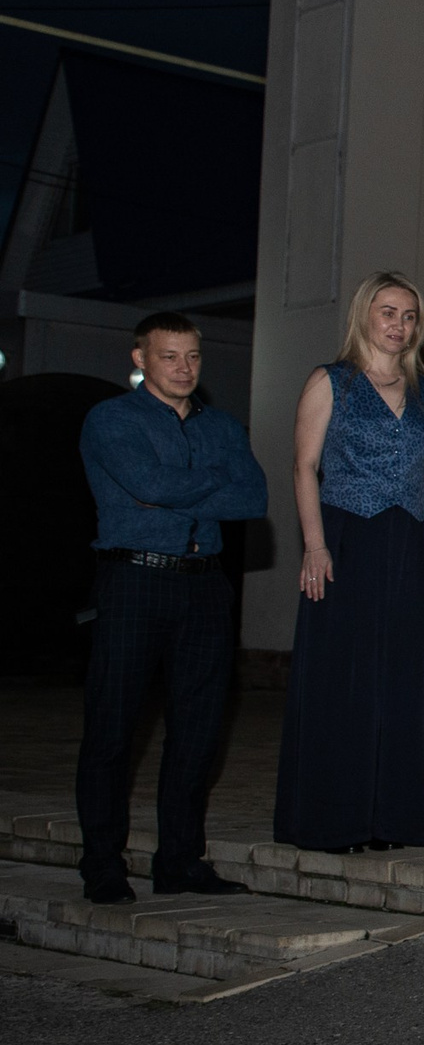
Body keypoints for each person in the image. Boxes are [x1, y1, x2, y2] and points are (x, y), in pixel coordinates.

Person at [74, 312, 268, 903]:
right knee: (113, 729)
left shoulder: (223, 426)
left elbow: (254, 496)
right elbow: (145, 484)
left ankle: (180, 861)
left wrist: (177, 483)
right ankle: (102, 864)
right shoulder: (110, 420)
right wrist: (208, 484)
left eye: (192, 357)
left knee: (198, 733)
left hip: (205, 587)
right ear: (140, 359)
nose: (184, 368)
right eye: (168, 357)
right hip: (133, 580)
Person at [276, 271, 424, 853]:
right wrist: (314, 543)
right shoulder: (330, 382)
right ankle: (333, 820)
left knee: (405, 684)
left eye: (408, 316)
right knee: (345, 681)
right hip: (347, 537)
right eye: (388, 312)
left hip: (409, 542)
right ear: (364, 316)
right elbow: (304, 466)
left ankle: (392, 821)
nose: (399, 325)